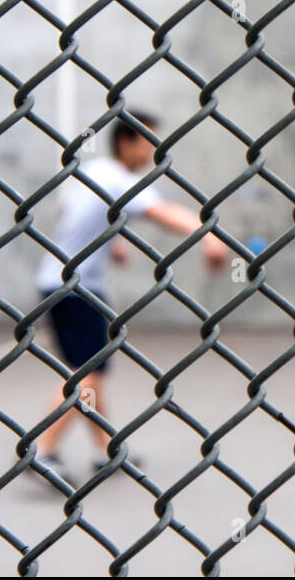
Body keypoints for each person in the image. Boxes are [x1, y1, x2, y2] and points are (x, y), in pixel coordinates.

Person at [33, 110, 228, 485]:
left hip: (60, 283)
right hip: (75, 289)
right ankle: (42, 450)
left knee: (91, 370)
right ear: (126, 141)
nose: (155, 151)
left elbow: (71, 211)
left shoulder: (95, 171)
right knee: (87, 372)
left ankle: (105, 451)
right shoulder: (122, 180)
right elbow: (163, 212)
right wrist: (209, 236)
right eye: (149, 142)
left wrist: (112, 243)